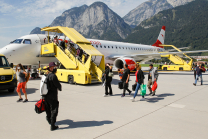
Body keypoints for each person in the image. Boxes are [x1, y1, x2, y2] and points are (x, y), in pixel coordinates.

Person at [44, 62, 62, 131]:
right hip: (52, 95)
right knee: (54, 109)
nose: (55, 68)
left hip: (46, 95)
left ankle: (49, 119)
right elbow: (57, 85)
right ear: (51, 68)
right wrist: (60, 88)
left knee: (48, 108)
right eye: (54, 67)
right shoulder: (53, 76)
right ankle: (52, 125)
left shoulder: (46, 75)